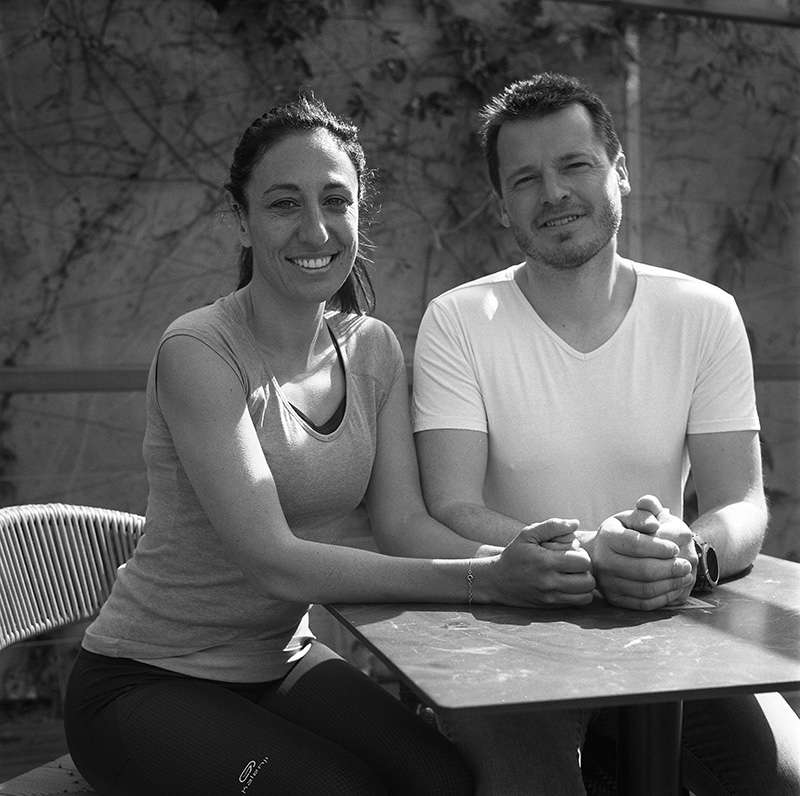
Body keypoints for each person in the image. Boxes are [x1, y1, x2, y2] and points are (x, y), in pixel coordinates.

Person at [62, 93, 612, 796]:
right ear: (242, 217)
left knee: (447, 782)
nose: (316, 229)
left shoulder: (373, 349)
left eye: (335, 201)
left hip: (281, 662)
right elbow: (275, 564)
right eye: (284, 204)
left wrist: (518, 561)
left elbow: (403, 526)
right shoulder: (200, 350)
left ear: (359, 213)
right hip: (144, 682)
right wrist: (485, 581)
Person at [412, 72, 800, 794]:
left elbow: (742, 502)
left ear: (620, 172)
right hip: (510, 631)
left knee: (779, 776)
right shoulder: (459, 321)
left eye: (575, 165)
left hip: (664, 623)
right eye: (525, 178)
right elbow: (451, 506)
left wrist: (692, 550)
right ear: (503, 206)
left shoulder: (702, 312)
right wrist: (588, 550)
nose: (554, 193)